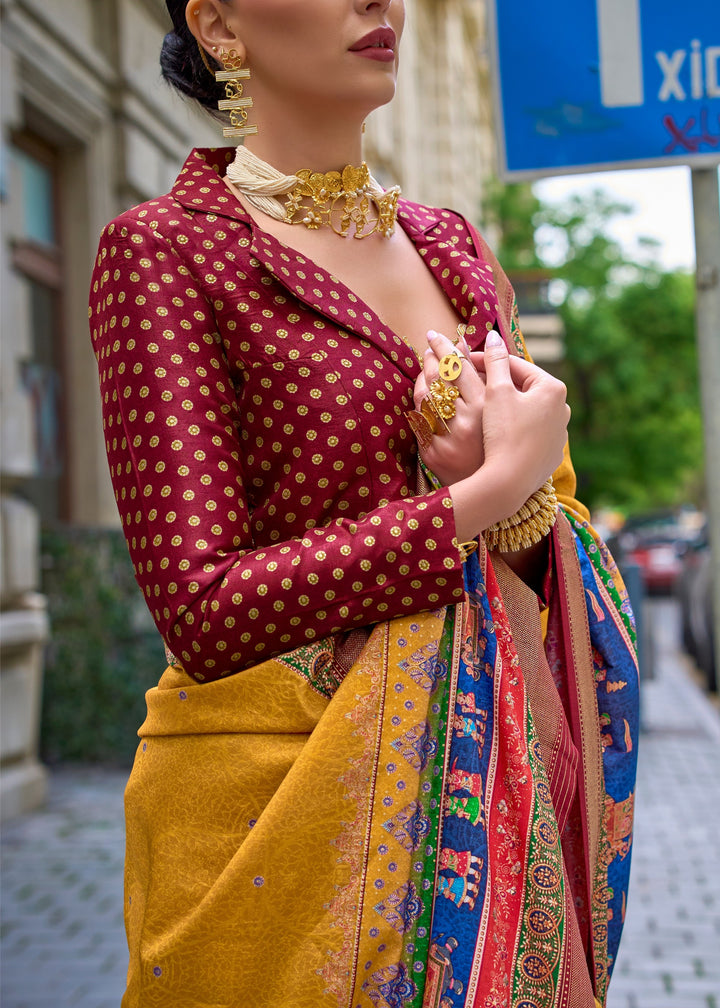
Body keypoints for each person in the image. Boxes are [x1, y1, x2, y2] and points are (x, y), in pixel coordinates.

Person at [88, 2, 639, 1006]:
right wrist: (476, 498)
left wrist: (518, 508)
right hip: (278, 827)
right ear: (218, 25)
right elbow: (200, 608)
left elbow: (534, 549)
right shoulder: (166, 251)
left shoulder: (452, 247)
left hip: (489, 813)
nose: (378, 2)